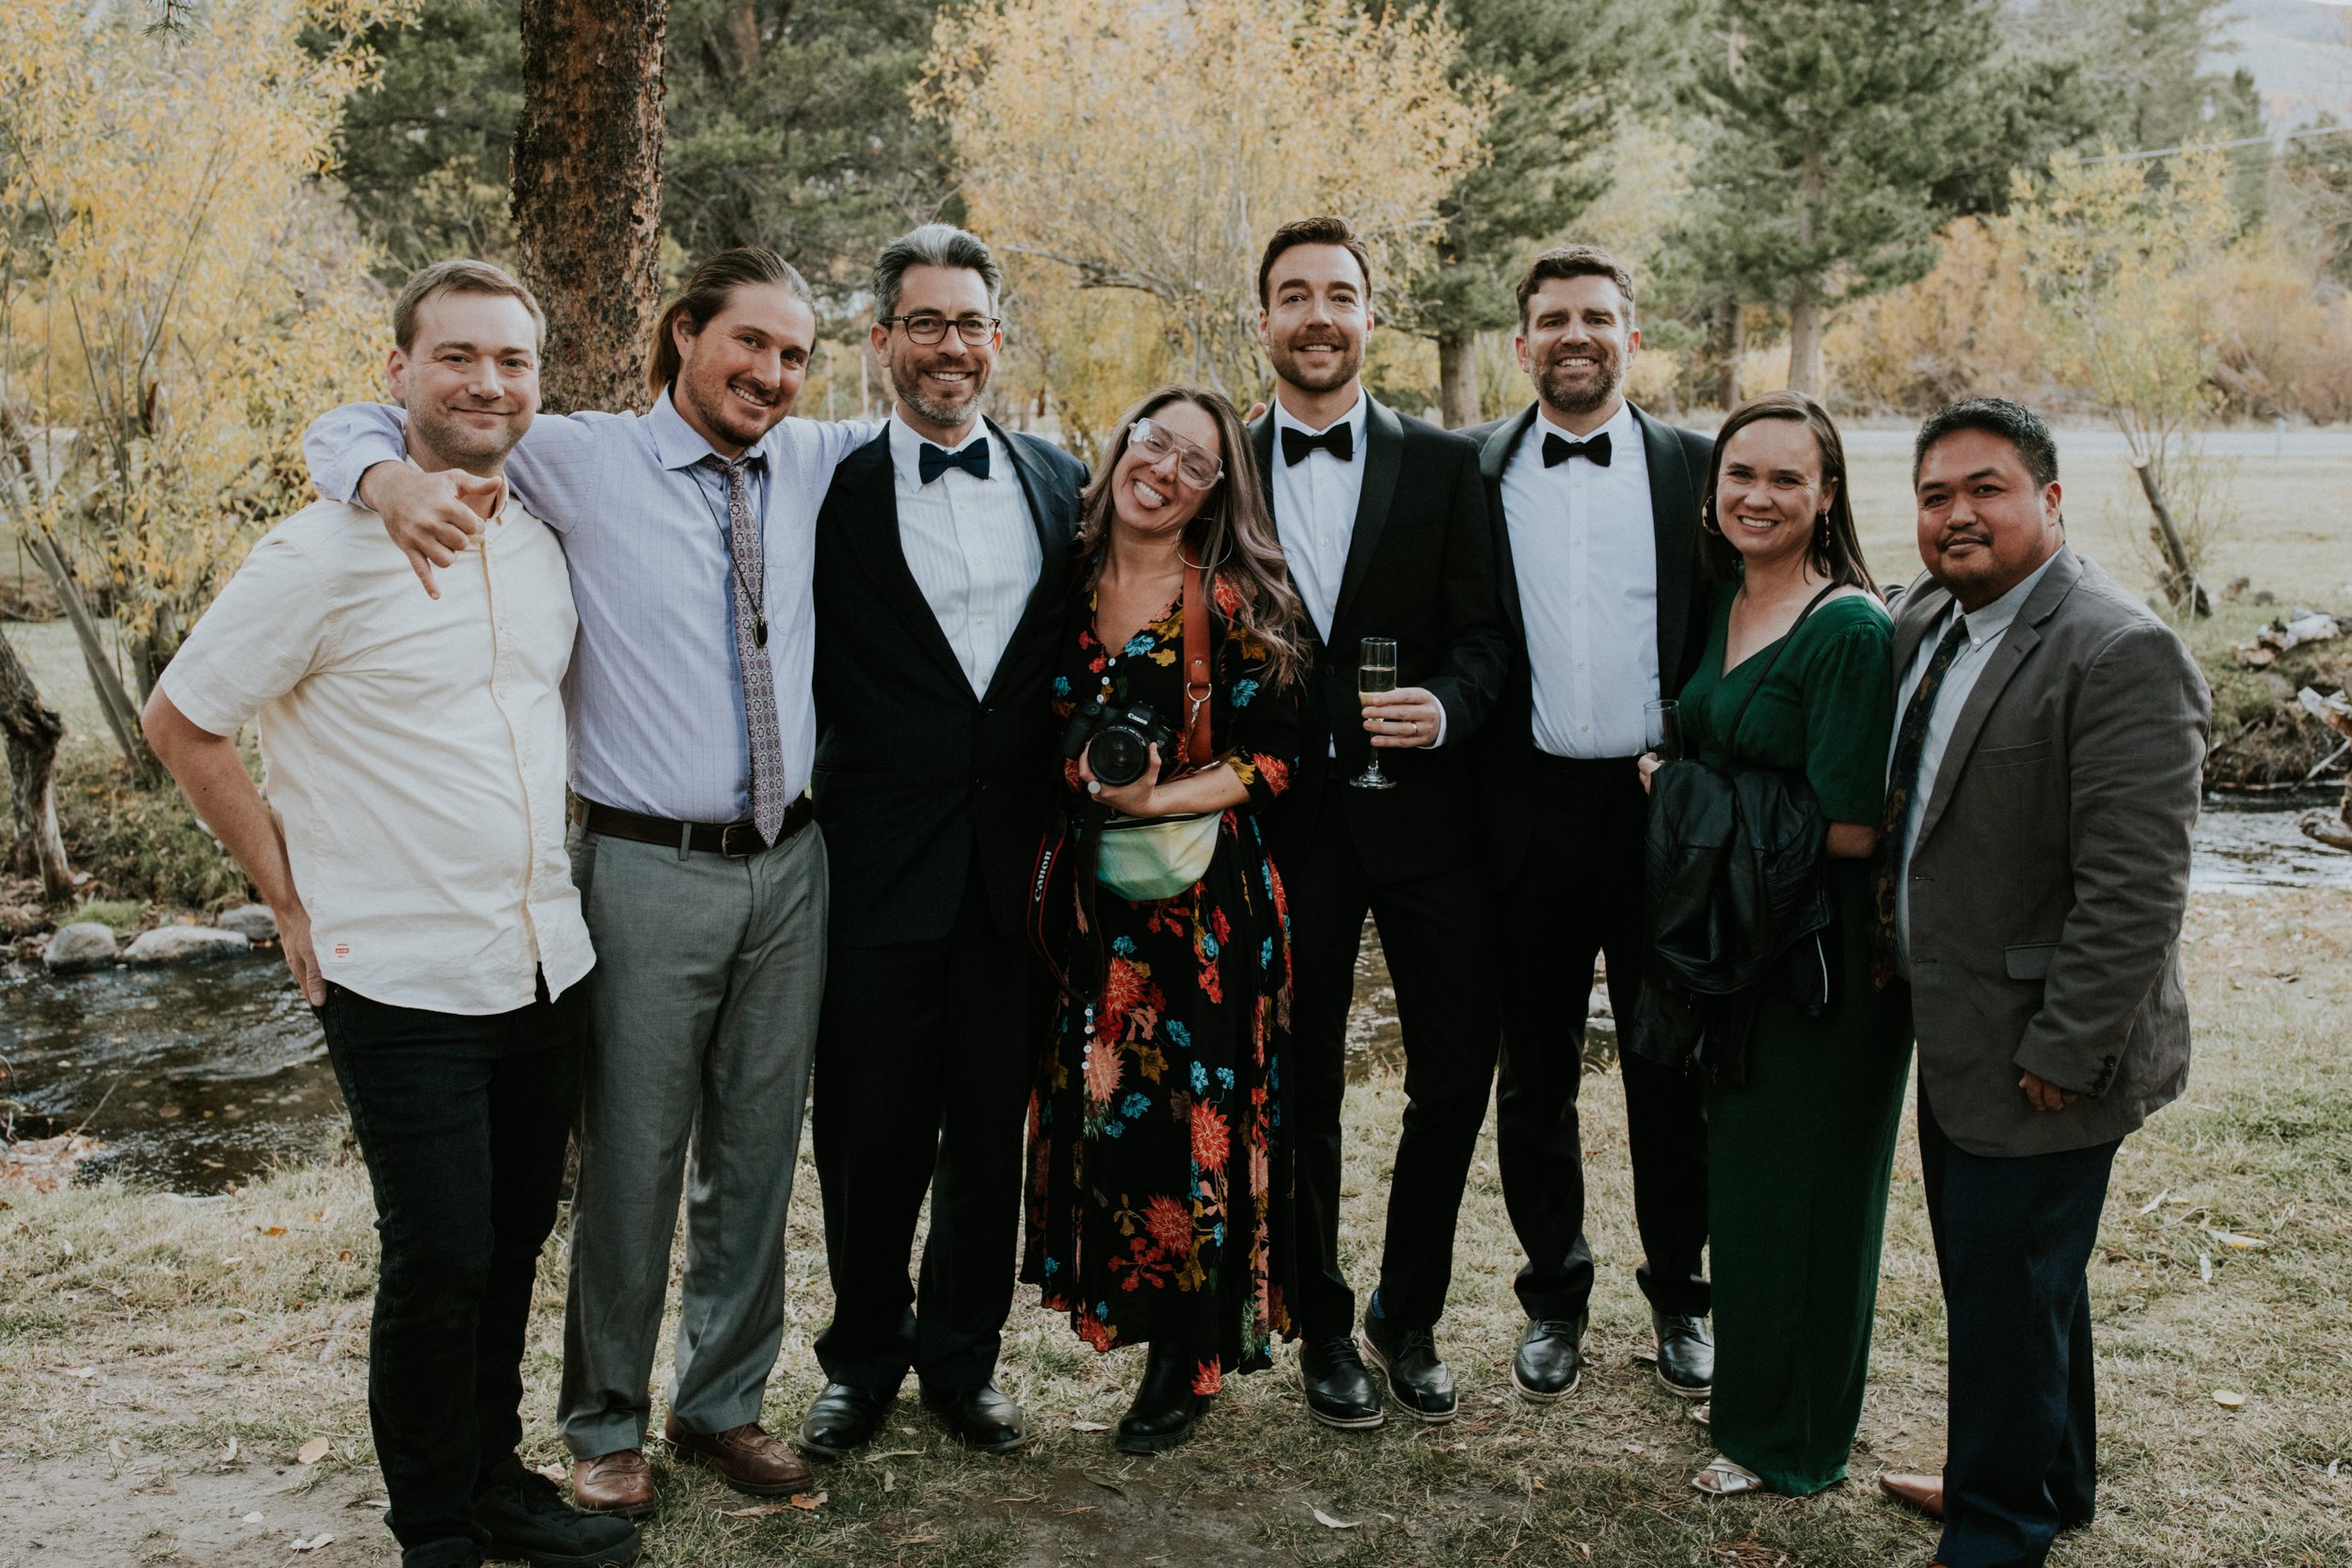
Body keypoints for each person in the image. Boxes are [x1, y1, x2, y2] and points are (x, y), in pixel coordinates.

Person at [302, 248, 874, 1516]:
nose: (773, 374)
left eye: (793, 354)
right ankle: (605, 1422)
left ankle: (722, 1398)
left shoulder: (818, 457)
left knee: (760, 1147)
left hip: (793, 866)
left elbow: (950, 431)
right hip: (641, 863)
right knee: (629, 1154)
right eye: (750, 345)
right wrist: (390, 479)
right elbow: (354, 420)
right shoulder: (578, 456)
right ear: (683, 333)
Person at [144, 261, 636, 1568]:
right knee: (442, 1251)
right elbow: (182, 721)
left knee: (518, 1231)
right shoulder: (317, 551)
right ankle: (433, 1525)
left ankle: (493, 1473)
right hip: (396, 971)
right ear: (399, 373)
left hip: (544, 956)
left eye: (513, 360)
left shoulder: (539, 536)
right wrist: (284, 890)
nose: (488, 382)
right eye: (459, 356)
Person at [1873, 399, 2207, 1568]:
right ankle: (2047, 1479)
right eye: (1932, 496)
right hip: (1954, 1023)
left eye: (1986, 488)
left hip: (2044, 1048)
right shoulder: (1925, 616)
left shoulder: (2118, 649)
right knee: (2016, 1280)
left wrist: (2067, 1049)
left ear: (2050, 503)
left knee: (2007, 1288)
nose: (1956, 513)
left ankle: (1997, 1528)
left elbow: (2136, 887)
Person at [796, 225, 1089, 1461]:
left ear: (996, 340)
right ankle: (862, 1354)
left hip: (1019, 871)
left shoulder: (1062, 481)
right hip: (873, 865)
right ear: (881, 341)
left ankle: (964, 1362)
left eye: (969, 323)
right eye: (925, 322)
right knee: (867, 1132)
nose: (949, 346)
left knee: (991, 1128)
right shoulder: (825, 483)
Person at [1242, 215, 1511, 1431]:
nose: (1318, 314)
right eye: (1293, 294)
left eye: (1339, 294)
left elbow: (1490, 642)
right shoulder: (1220, 470)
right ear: (1265, 320)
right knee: (1298, 1082)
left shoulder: (1447, 466)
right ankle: (1318, 1319)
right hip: (1281, 831)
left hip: (1429, 825)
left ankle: (1408, 1308)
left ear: (1369, 318)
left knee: (1458, 1064)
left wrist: (1447, 707)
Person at [1629, 393, 1903, 1497]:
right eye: (1741, 472)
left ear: (1827, 495)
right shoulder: (1730, 595)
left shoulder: (1848, 629)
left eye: (1788, 478)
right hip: (1741, 941)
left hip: (1821, 958)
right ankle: (1751, 1416)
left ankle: (1796, 1442)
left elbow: (1851, 823)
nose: (1758, 494)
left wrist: (1677, 792)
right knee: (1746, 1181)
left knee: (1813, 1194)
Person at [1025, 386, 1306, 1453]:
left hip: (1202, 913)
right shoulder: (1062, 573)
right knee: (1107, 1119)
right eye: (1154, 440)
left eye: (1198, 461)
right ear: (1121, 441)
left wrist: (1152, 796)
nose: (1166, 468)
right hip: (1094, 909)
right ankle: (1130, 1309)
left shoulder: (1232, 597)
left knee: (1194, 1134)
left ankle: (1185, 1359)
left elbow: (1276, 755)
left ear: (1219, 490)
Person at [1466, 244, 1716, 1402]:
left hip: (1662, 813)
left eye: (1598, 316)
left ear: (1630, 334)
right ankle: (1553, 1296)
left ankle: (1682, 1297)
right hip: (1526, 815)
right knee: (1537, 1076)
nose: (1576, 334)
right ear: (1520, 344)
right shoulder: (1474, 474)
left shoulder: (1701, 471)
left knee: (1670, 1068)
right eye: (1554, 318)